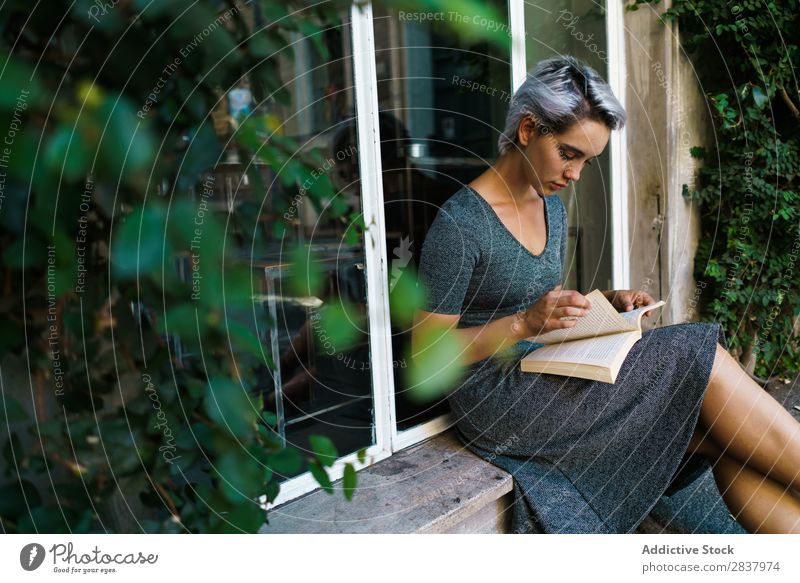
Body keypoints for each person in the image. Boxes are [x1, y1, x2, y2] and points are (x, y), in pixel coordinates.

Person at [413, 55, 800, 533]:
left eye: (586, 161)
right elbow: (424, 357)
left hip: (546, 367)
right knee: (701, 359)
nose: (575, 174)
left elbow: (534, 297)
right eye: (569, 153)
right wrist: (522, 325)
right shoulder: (459, 225)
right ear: (530, 130)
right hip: (496, 397)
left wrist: (601, 305)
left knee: (718, 432)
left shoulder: (548, 203)